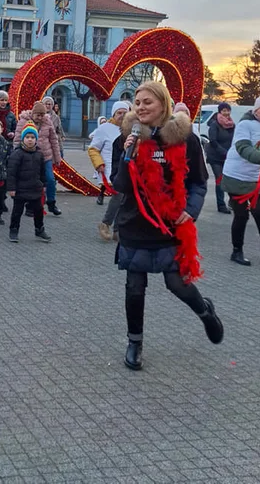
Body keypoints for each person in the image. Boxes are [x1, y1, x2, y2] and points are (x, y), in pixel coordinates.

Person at [111, 81, 222, 371]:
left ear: (163, 104)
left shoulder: (185, 139)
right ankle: (135, 342)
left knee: (177, 284)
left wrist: (191, 209)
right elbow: (119, 184)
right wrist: (128, 155)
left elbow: (199, 181)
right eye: (137, 101)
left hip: (171, 226)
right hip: (135, 222)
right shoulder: (126, 137)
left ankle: (204, 311)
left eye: (147, 101)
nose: (141, 107)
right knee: (135, 287)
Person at [221, 94, 260, 266]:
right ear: (255, 110)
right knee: (241, 215)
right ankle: (237, 251)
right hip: (237, 176)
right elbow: (243, 148)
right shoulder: (245, 125)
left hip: (259, 177)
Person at [88, 101, 130, 241]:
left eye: (125, 113)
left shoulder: (130, 129)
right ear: (114, 114)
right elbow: (93, 149)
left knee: (124, 198)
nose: (122, 116)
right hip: (110, 169)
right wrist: (98, 163)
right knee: (119, 196)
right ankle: (106, 224)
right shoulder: (104, 128)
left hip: (126, 169)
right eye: (119, 113)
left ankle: (117, 230)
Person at [15, 101, 62, 216]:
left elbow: (53, 140)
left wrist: (57, 156)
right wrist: (17, 155)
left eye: (42, 115)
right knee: (32, 182)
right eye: (38, 115)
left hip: (46, 156)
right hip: (29, 156)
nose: (40, 118)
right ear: (33, 113)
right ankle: (30, 206)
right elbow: (17, 139)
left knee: (50, 180)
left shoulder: (48, 121)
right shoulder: (24, 121)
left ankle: (51, 203)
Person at [7, 123, 50, 242]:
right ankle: (14, 230)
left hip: (35, 188)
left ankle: (39, 230)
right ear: (23, 139)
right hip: (20, 189)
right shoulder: (17, 154)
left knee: (38, 211)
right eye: (27, 137)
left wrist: (44, 184)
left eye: (32, 137)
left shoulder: (39, 154)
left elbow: (42, 172)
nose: (30, 140)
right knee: (17, 212)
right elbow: (11, 173)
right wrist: (11, 188)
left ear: (36, 139)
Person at [206, 103, 235, 213]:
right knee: (220, 180)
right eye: (224, 110)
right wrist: (224, 152)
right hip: (215, 157)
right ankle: (221, 205)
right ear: (219, 112)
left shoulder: (232, 124)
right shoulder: (215, 124)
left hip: (228, 157)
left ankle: (232, 202)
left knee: (230, 180)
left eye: (228, 110)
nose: (226, 113)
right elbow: (213, 141)